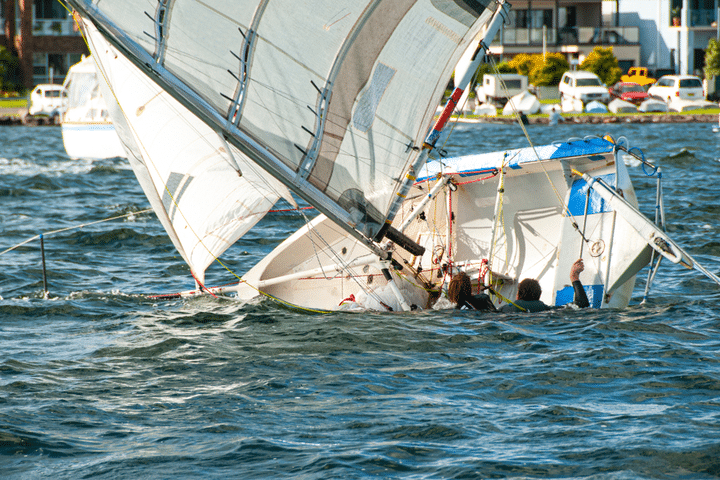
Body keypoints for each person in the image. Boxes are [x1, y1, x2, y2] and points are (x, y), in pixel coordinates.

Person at [498, 259, 590, 313]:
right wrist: (574, 277)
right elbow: (582, 304)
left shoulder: (506, 309)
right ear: (539, 295)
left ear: (518, 294)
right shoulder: (545, 309)